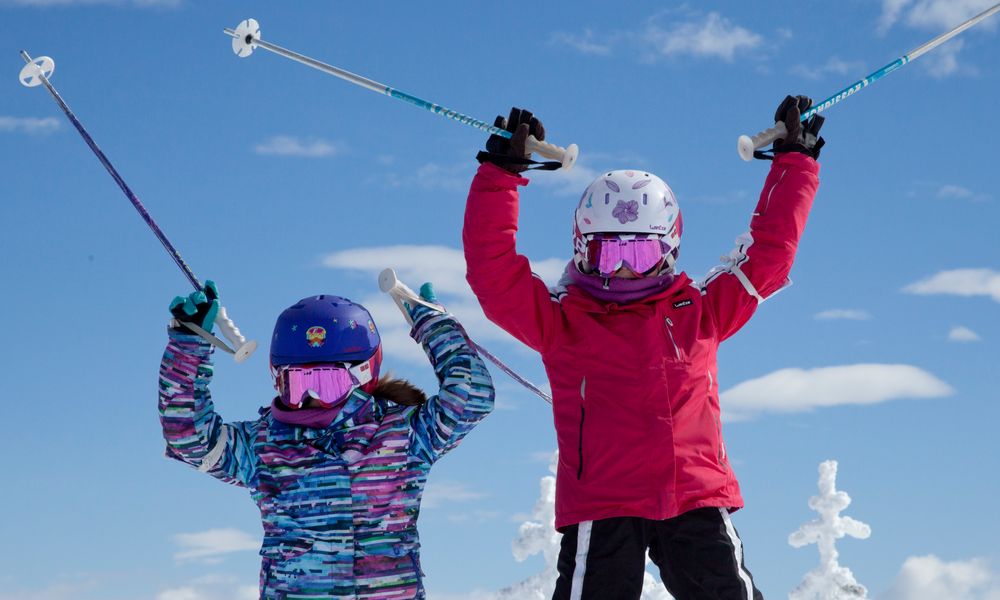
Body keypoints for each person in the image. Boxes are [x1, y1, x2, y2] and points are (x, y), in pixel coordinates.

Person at [463, 98, 824, 599]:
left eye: (641, 249)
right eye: (608, 250)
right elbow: (493, 275)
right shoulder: (562, 321)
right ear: (581, 246)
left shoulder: (701, 311)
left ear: (669, 247)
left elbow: (770, 256)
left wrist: (794, 161)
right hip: (603, 506)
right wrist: (501, 176)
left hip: (694, 499)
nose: (625, 268)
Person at [158, 282, 494, 599]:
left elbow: (472, 397)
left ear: (363, 375)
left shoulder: (401, 436)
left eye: (328, 383)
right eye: (296, 384)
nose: (311, 398)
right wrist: (189, 344)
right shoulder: (263, 447)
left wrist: (434, 326)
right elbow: (189, 437)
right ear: (276, 379)